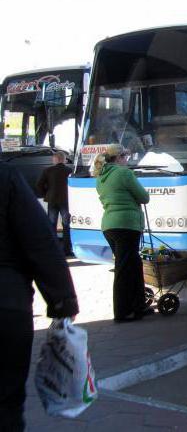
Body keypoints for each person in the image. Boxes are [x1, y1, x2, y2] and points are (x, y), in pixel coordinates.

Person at [0, 163, 79, 430]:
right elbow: (40, 242)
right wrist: (62, 302)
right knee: (5, 402)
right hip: (6, 307)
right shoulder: (6, 176)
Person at [92, 145, 151, 322]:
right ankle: (122, 312)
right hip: (126, 225)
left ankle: (138, 306)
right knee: (125, 269)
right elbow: (144, 197)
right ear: (118, 158)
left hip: (109, 225)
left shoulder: (100, 176)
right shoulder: (124, 174)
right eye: (126, 156)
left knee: (132, 265)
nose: (127, 159)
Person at [36, 151, 73, 257]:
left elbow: (39, 185)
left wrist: (46, 194)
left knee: (52, 225)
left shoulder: (47, 170)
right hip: (65, 201)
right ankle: (67, 250)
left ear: (56, 159)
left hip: (52, 201)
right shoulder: (69, 171)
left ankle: (52, 249)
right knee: (66, 225)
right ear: (64, 159)